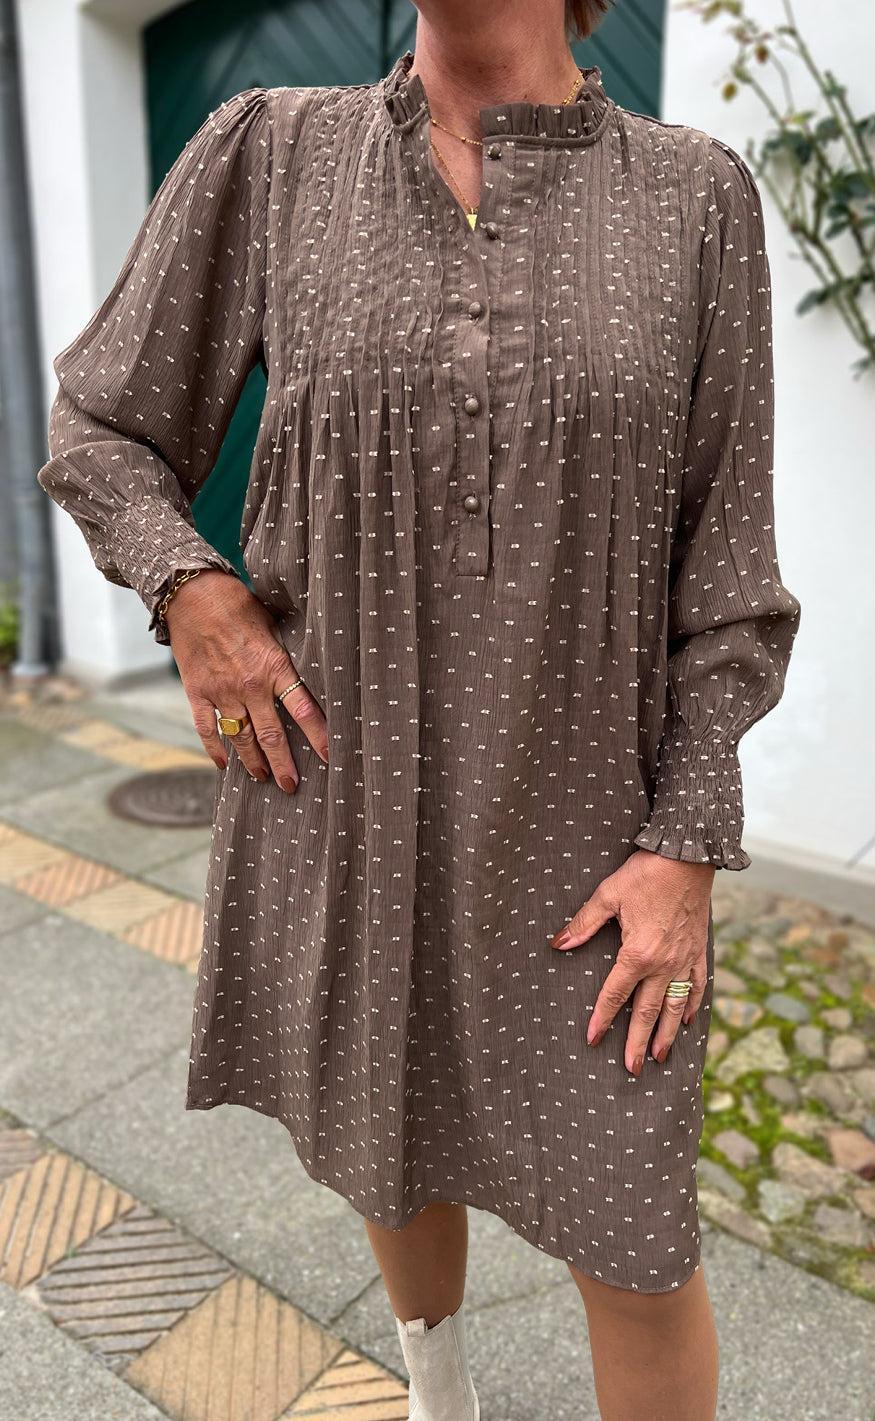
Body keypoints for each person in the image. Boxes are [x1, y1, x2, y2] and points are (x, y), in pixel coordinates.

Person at [36, 1, 802, 1416]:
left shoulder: (693, 198)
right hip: (348, 809)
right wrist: (191, 591)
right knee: (387, 1147)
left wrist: (687, 842)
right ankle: (439, 1393)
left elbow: (730, 569)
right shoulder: (273, 155)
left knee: (638, 1247)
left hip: (592, 847)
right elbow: (101, 425)